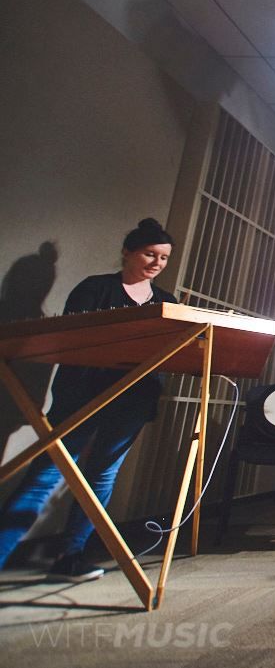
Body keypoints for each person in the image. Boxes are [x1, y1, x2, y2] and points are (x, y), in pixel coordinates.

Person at [0, 218, 176, 582]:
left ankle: (71, 557)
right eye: (149, 254)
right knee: (47, 475)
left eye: (163, 258)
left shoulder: (166, 301)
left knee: (102, 476)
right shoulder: (94, 289)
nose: (156, 263)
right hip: (83, 396)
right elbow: (75, 340)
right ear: (127, 252)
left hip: (132, 401)